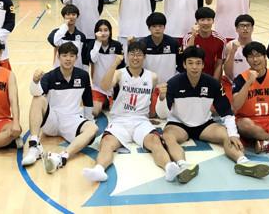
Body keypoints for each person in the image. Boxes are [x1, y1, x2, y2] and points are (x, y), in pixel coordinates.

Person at [83, 41, 196, 183]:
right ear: (127, 56)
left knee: (156, 142)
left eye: (139, 54)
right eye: (132, 54)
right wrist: (114, 64)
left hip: (141, 120)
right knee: (106, 143)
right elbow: (104, 86)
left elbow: (155, 101)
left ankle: (169, 168)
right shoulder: (119, 73)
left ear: (144, 57)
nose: (135, 57)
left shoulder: (152, 77)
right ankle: (99, 170)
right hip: (120, 120)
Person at [157, 46, 269, 179]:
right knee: (168, 137)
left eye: (198, 63)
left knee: (227, 135)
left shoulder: (212, 84)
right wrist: (162, 98)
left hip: (204, 125)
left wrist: (233, 134)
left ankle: (243, 162)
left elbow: (227, 112)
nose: (194, 67)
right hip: (179, 125)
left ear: (203, 65)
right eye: (190, 63)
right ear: (184, 64)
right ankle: (183, 166)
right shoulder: (173, 83)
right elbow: (162, 115)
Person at [21, 42, 97, 174]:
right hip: (53, 120)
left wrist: (89, 119)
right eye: (64, 55)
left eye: (72, 56)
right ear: (58, 57)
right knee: (38, 99)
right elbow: (36, 92)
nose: (68, 59)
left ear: (76, 58)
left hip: (72, 120)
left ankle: (62, 157)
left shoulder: (83, 75)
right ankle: (34, 146)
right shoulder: (49, 76)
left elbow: (88, 99)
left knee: (93, 128)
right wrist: (35, 82)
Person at [140, 12, 181, 116]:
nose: (157, 29)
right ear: (149, 28)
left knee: (168, 114)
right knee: (152, 114)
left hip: (169, 87)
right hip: (149, 87)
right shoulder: (142, 44)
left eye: (160, 26)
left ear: (164, 27)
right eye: (154, 26)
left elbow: (181, 66)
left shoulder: (173, 43)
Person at [85, 19, 124, 117]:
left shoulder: (117, 45)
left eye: (106, 30)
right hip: (97, 87)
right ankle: (103, 101)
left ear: (110, 31)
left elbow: (121, 68)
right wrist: (98, 42)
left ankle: (109, 101)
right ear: (96, 32)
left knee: (116, 113)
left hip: (113, 87)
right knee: (94, 112)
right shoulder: (92, 45)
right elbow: (92, 59)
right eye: (100, 30)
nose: (103, 33)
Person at [183, 7, 225, 80]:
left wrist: (214, 82)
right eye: (202, 20)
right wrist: (193, 36)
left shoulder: (220, 40)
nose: (206, 23)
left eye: (209, 19)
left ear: (213, 21)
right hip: (191, 77)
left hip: (210, 77)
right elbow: (186, 56)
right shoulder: (188, 37)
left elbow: (219, 64)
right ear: (197, 22)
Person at [221, 14, 255, 103]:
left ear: (252, 28)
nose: (245, 28)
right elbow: (227, 72)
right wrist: (233, 51)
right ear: (236, 29)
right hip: (232, 83)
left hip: (252, 84)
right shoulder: (230, 46)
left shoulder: (257, 46)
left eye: (248, 26)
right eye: (242, 26)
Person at [47, 4, 87, 69]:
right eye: (68, 14)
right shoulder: (56, 33)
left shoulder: (81, 36)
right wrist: (65, 26)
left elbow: (84, 57)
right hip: (60, 70)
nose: (71, 17)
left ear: (77, 16)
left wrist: (85, 71)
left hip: (76, 70)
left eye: (73, 14)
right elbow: (55, 42)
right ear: (64, 16)